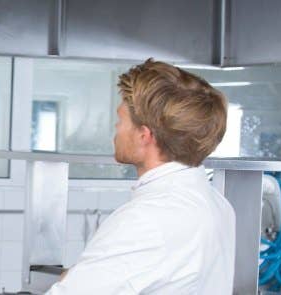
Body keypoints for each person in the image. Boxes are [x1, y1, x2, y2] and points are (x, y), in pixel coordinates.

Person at [46, 59, 236, 294]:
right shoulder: (218, 205)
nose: (115, 131)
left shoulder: (147, 220)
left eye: (120, 121)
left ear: (144, 136)